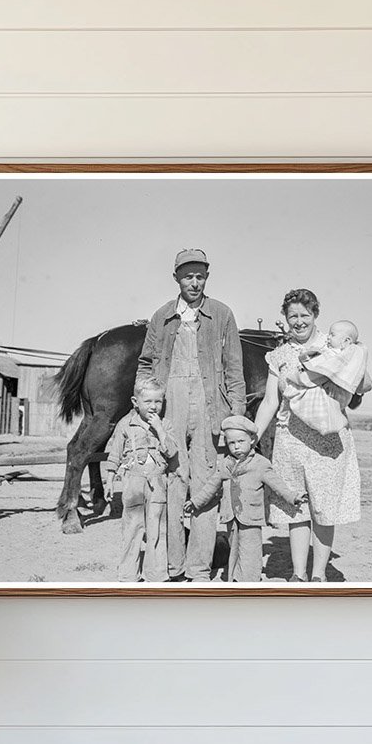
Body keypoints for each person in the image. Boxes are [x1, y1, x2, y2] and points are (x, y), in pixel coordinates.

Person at [137, 248, 245, 581]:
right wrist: (146, 404)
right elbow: (145, 364)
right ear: (177, 279)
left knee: (206, 485)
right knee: (172, 482)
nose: (194, 282)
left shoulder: (222, 314)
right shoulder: (162, 316)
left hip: (210, 404)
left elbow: (234, 370)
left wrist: (235, 417)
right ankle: (174, 567)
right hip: (171, 406)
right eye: (188, 276)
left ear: (206, 278)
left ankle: (199, 569)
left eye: (200, 276)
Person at [254, 289, 362, 583]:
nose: (298, 322)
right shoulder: (278, 356)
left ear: (315, 315)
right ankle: (298, 573)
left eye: (304, 315)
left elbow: (359, 384)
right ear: (285, 319)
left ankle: (318, 574)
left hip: (327, 442)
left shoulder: (336, 347)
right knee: (296, 508)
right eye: (292, 317)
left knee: (324, 509)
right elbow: (269, 402)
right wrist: (254, 435)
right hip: (290, 440)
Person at [186, 415, 306, 583]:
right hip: (231, 516)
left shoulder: (260, 464)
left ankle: (250, 581)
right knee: (234, 547)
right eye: (231, 443)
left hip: (251, 516)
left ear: (252, 440)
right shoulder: (225, 464)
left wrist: (293, 496)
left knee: (251, 549)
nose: (236, 447)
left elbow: (277, 484)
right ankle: (235, 578)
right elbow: (211, 486)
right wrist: (196, 502)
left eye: (240, 441)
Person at [105, 375, 178, 583]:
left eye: (158, 401)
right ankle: (128, 574)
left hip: (157, 484)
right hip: (132, 483)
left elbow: (172, 452)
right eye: (148, 402)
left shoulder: (166, 425)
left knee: (156, 530)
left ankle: (155, 575)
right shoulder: (125, 424)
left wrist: (160, 430)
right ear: (135, 403)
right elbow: (115, 455)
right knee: (132, 529)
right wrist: (110, 480)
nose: (154, 406)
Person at [286, 320, 369, 435]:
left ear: (346, 341)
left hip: (335, 394)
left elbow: (327, 367)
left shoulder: (342, 356)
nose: (328, 338)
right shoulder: (331, 351)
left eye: (332, 335)